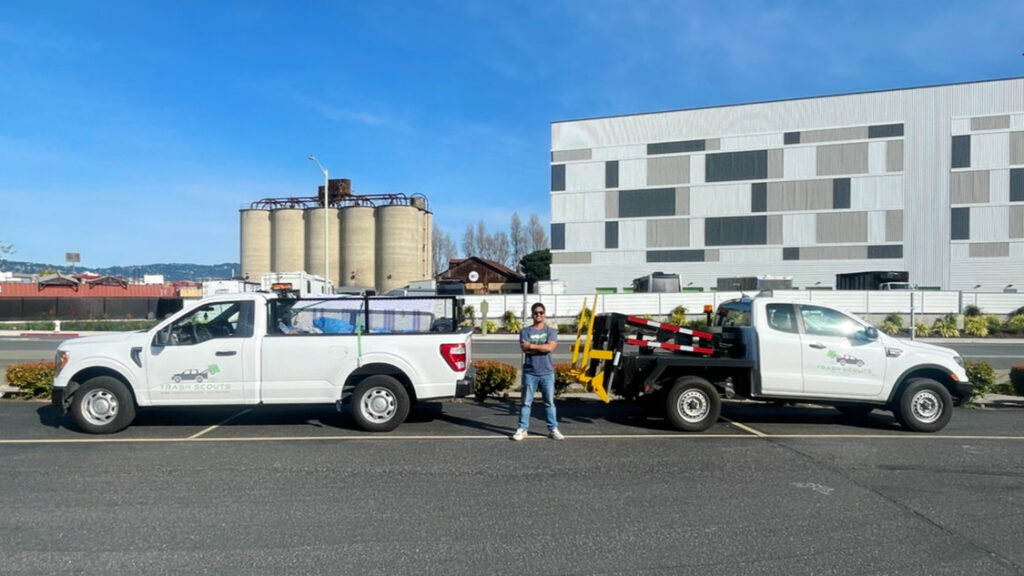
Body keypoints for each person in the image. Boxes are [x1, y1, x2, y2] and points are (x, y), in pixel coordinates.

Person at [512, 303, 563, 441]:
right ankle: (522, 429)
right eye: (536, 313)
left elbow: (550, 348)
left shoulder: (551, 331)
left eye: (541, 312)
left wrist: (532, 346)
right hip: (530, 372)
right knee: (526, 402)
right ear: (532, 315)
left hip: (547, 372)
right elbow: (525, 349)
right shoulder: (525, 331)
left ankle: (553, 429)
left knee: (549, 402)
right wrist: (541, 346)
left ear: (544, 314)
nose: (538, 315)